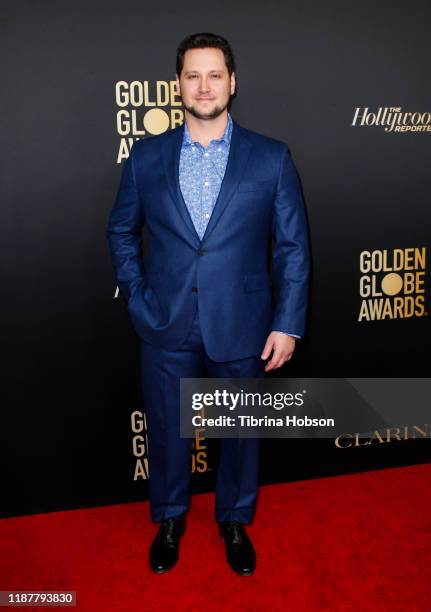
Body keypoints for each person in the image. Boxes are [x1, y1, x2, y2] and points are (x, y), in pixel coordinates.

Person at [107, 32, 310, 576]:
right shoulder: (146, 158)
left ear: (232, 83)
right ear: (178, 85)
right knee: (168, 429)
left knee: (240, 434)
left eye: (214, 74)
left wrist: (287, 324)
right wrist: (139, 296)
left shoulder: (271, 157)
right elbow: (122, 232)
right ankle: (170, 518)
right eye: (193, 75)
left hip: (243, 324)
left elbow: (291, 247)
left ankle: (234, 520)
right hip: (164, 321)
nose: (204, 86)